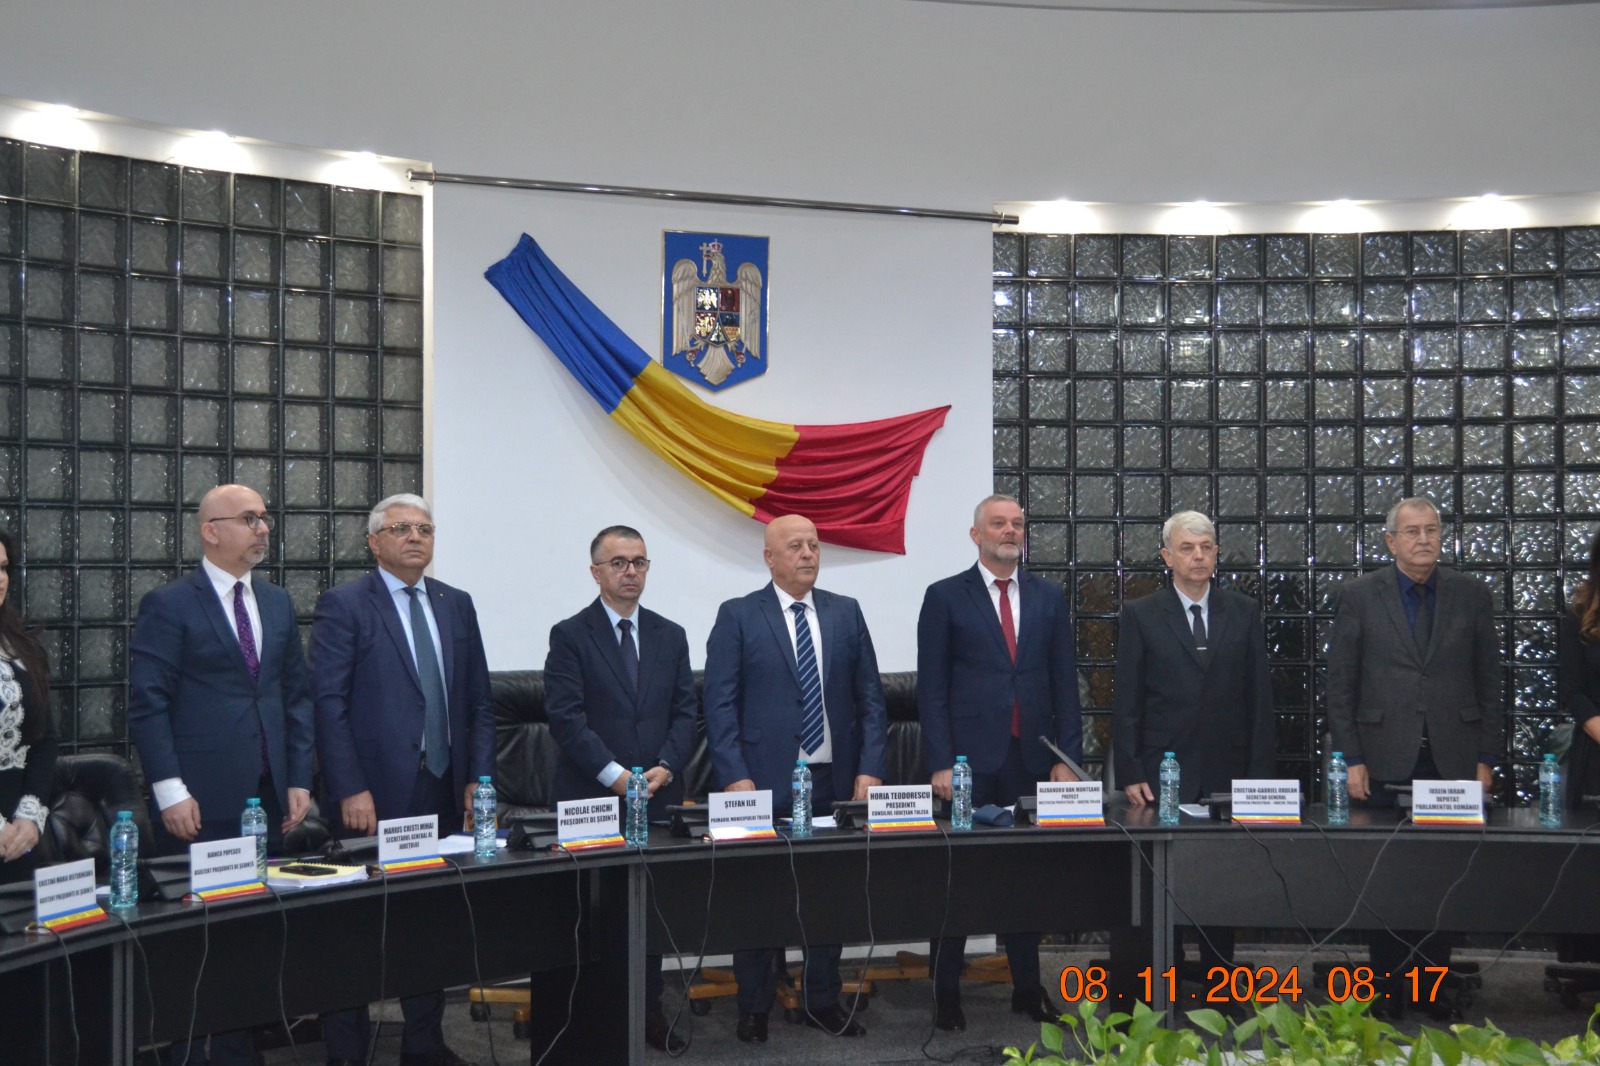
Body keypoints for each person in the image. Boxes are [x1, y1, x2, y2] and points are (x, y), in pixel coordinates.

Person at [128, 484, 315, 1066]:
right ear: (211, 531)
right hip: (199, 803)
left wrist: (299, 778)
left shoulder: (277, 602)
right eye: (249, 519)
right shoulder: (170, 604)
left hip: (267, 798)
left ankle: (241, 1051)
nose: (263, 528)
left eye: (265, 518)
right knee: (197, 941)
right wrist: (169, 791)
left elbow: (295, 697)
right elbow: (147, 704)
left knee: (252, 937)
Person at [310, 493, 494, 1066]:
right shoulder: (344, 604)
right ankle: (346, 1051)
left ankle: (425, 1044)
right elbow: (328, 704)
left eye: (424, 529)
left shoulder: (455, 603)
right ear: (374, 542)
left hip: (442, 788)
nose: (415, 537)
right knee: (355, 927)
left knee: (428, 924)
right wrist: (348, 786)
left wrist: (479, 778)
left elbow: (479, 702)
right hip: (372, 794)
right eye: (401, 529)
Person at [703, 514, 888, 1043]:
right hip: (759, 783)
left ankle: (821, 1000)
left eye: (814, 545)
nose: (808, 554)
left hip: (833, 780)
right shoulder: (739, 615)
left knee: (827, 895)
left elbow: (871, 701)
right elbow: (719, 705)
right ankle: (754, 1006)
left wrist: (871, 768)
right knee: (758, 895)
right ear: (770, 557)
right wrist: (734, 776)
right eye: (795, 546)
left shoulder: (846, 612)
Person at [1326, 495, 1502, 1019]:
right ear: (1390, 541)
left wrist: (1486, 757)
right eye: (1412, 531)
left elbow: (1491, 683)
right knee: (1384, 875)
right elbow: (1341, 687)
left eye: (1431, 530)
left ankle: (1432, 987)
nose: (1423, 539)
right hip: (1382, 756)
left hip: (1454, 759)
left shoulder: (1472, 595)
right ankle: (1385, 987)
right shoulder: (1359, 596)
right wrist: (1351, 758)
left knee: (1442, 877)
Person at [917, 493, 1081, 1032]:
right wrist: (941, 761)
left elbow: (1065, 684)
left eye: (1017, 524)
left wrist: (1067, 758)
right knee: (956, 880)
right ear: (976, 535)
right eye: (998, 523)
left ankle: (1028, 990)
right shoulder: (944, 596)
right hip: (967, 764)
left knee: (1025, 879)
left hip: (1031, 759)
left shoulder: (1048, 597)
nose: (1010, 531)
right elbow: (931, 690)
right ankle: (945, 992)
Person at [544, 525, 697, 1053]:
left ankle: (647, 1010)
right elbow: (566, 719)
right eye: (619, 563)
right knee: (590, 914)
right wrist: (616, 777)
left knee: (649, 912)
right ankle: (591, 1016)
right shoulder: (570, 634)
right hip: (591, 798)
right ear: (596, 572)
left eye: (639, 562)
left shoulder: (670, 634)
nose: (631, 571)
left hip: (658, 795)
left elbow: (686, 713)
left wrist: (666, 767)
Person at [1112, 510, 1273, 978]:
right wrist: (1131, 771)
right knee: (1162, 883)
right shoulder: (1141, 614)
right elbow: (1127, 702)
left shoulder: (1243, 611)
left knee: (1221, 883)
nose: (1198, 556)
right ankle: (1165, 982)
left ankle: (1221, 980)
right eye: (1187, 548)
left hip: (1228, 771)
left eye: (1206, 548)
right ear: (1168, 557)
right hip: (1162, 773)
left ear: (1216, 554)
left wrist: (1259, 778)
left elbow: (1259, 700)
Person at [0, 528, 57, 886]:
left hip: (19, 833)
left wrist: (30, 814)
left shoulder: (22, 647)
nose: (0, 579)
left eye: (3, 568)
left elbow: (44, 738)